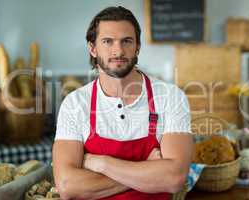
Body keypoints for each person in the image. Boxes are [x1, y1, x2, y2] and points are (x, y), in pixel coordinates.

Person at [52, 6, 194, 200]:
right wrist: (147, 167)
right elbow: (67, 186)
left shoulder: (171, 97)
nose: (118, 51)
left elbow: (173, 178)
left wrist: (102, 164)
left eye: (126, 41)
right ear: (92, 48)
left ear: (137, 47)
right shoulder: (75, 104)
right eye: (107, 41)